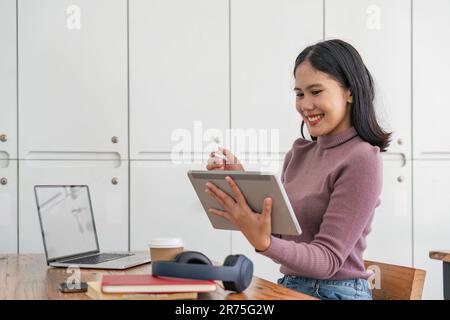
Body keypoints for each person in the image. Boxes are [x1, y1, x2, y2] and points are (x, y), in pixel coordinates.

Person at [204, 39, 391, 300]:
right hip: (291, 287)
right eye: (300, 93)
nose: (305, 105)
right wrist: (239, 182)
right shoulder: (299, 154)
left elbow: (327, 260)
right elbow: (283, 236)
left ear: (350, 91)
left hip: (335, 293)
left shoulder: (361, 159)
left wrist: (264, 243)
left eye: (316, 92)